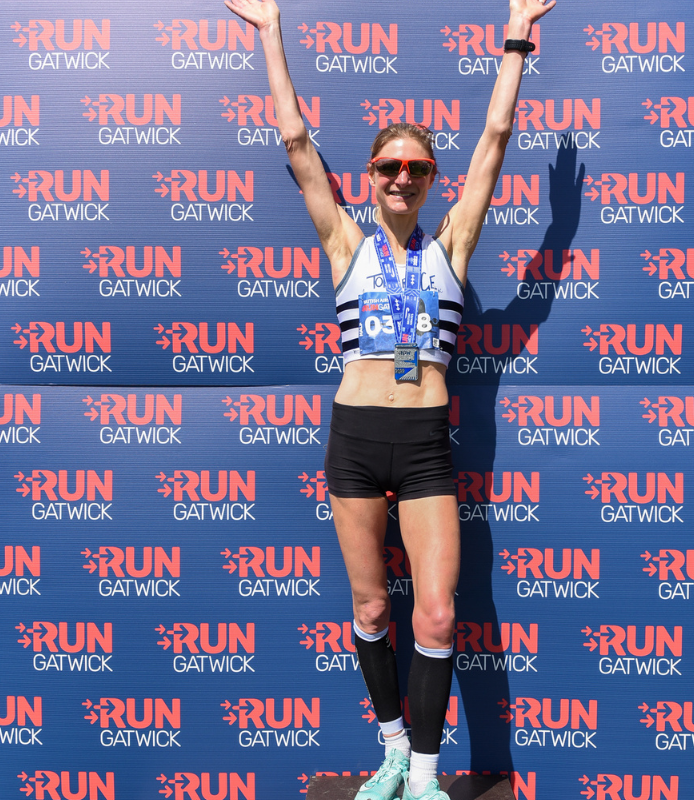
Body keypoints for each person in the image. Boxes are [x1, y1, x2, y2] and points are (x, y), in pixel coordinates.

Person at [223, 0, 555, 798]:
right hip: (354, 437)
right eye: (388, 167)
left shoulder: (453, 246)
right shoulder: (345, 241)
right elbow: (297, 142)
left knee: (436, 616)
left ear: (432, 180)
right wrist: (271, 32)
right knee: (372, 608)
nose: (402, 177)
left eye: (417, 168)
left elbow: (494, 144)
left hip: (426, 444)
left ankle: (430, 778)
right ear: (370, 178)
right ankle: (394, 750)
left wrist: (517, 34)